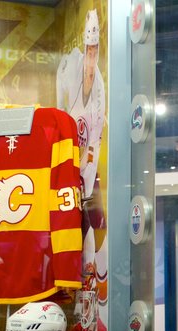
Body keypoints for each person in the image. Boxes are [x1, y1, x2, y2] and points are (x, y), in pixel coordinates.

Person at [58, 9, 106, 201]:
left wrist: (89, 158)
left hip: (89, 145)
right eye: (89, 50)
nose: (91, 55)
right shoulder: (70, 68)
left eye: (95, 50)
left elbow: (96, 135)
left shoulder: (99, 88)